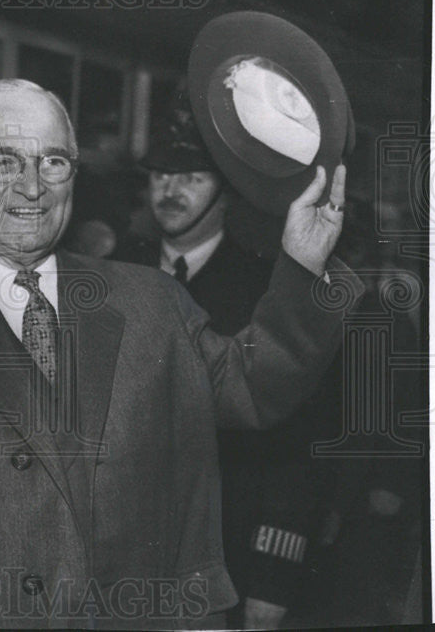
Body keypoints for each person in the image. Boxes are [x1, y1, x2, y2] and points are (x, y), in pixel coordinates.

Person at [0, 79, 361, 628]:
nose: (32, 186)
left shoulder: (152, 303)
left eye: (53, 162)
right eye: (2, 161)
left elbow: (256, 389)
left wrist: (304, 266)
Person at [113, 101, 334, 629]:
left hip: (224, 555)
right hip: (119, 556)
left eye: (192, 177)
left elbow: (294, 443)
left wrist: (272, 579)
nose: (170, 191)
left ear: (226, 191)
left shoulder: (266, 291)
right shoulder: (112, 274)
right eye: (162, 175)